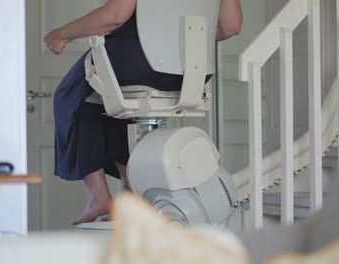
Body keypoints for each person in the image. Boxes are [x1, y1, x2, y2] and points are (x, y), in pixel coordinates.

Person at [43, 0, 243, 225]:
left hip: (140, 62)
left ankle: (99, 196)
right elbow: (231, 26)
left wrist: (61, 34)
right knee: (110, 97)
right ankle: (130, 191)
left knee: (70, 93)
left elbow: (115, 14)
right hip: (192, 69)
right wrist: (177, 41)